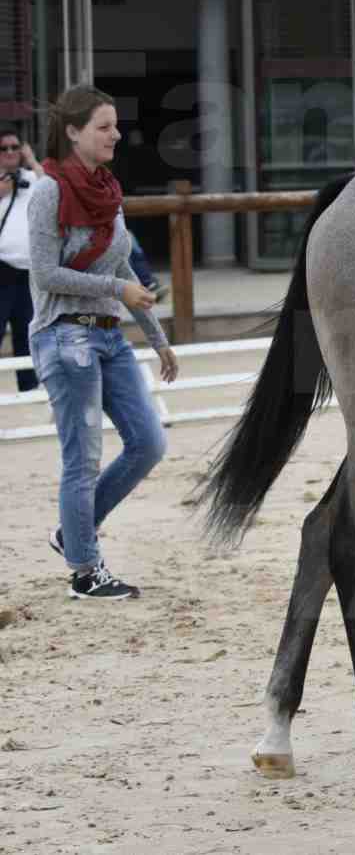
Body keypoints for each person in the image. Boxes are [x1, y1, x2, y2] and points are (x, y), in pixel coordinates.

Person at [29, 84, 179, 600]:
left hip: (111, 337)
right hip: (65, 338)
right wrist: (119, 289)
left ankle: (73, 532)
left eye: (116, 125)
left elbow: (119, 263)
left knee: (149, 443)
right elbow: (47, 275)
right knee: (83, 459)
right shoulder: (47, 191)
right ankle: (84, 570)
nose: (117, 134)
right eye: (104, 126)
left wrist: (158, 339)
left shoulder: (109, 190)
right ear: (73, 132)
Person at [0, 127, 39, 391]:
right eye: (4, 148)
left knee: (27, 335)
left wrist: (33, 160)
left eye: (16, 147)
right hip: (1, 268)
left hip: (28, 272)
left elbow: (55, 189)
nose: (11, 152)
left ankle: (29, 391)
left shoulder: (31, 178)